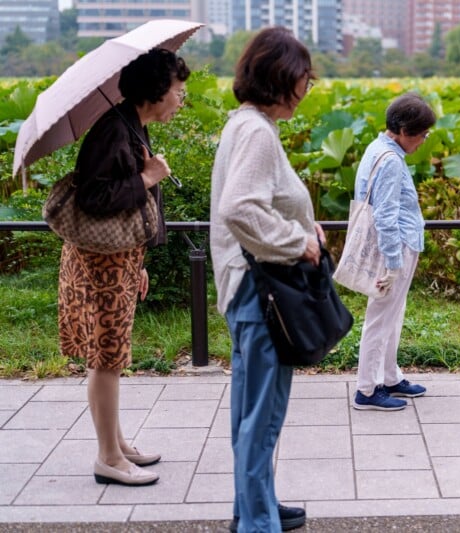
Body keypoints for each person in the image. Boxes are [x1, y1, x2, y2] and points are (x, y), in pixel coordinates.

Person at [58, 48, 190, 486]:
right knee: (107, 358)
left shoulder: (130, 127)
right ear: (156, 91)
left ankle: (116, 443)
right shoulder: (114, 131)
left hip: (117, 260)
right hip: (101, 264)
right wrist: (147, 178)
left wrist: (139, 262)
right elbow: (95, 199)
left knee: (108, 357)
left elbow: (129, 214)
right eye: (178, 90)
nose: (180, 98)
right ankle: (109, 458)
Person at [210, 27, 318, 533]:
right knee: (262, 414)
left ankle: (255, 504)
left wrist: (298, 224)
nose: (307, 88)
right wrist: (298, 242)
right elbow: (240, 207)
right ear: (279, 76)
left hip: (246, 291)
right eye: (303, 78)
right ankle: (257, 522)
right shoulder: (256, 132)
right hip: (261, 294)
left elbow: (262, 199)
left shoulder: (247, 124)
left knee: (247, 411)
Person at [351, 92, 437, 411]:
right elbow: (385, 214)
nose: (424, 141)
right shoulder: (389, 161)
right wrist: (392, 263)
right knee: (381, 316)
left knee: (392, 315)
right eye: (422, 134)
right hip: (394, 247)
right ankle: (367, 389)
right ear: (404, 131)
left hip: (397, 245)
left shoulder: (380, 148)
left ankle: (389, 376)